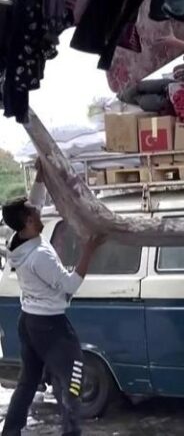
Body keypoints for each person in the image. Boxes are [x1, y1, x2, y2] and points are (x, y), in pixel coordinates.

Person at [1, 159, 104, 436]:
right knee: (74, 375)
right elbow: (69, 285)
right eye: (34, 211)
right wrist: (89, 249)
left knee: (28, 381)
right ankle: (71, 431)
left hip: (29, 323)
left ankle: (10, 431)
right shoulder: (40, 255)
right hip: (50, 327)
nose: (39, 209)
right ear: (29, 220)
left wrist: (41, 176)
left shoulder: (18, 239)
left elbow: (34, 200)